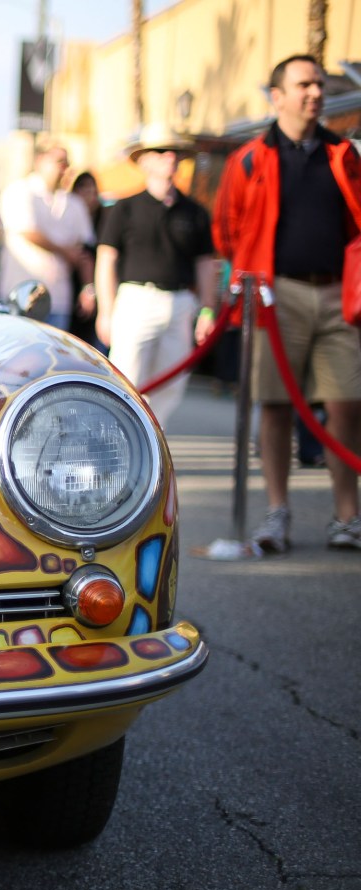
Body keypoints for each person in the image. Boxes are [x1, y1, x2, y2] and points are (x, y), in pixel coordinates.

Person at [211, 54, 361, 552]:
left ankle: (347, 516)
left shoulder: (343, 153)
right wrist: (252, 278)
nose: (315, 92)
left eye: (319, 83)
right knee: (275, 406)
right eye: (304, 84)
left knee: (347, 404)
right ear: (277, 97)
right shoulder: (250, 158)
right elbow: (227, 231)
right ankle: (277, 513)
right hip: (277, 296)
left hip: (337, 294)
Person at [94, 128, 216, 431]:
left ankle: (149, 439)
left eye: (174, 152)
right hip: (136, 300)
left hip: (180, 302)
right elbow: (106, 260)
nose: (169, 157)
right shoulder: (124, 208)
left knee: (173, 382)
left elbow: (205, 264)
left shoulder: (195, 212)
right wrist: (106, 311)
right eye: (161, 151)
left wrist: (208, 309)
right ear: (144, 160)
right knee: (126, 378)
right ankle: (119, 438)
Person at [0, 140, 95, 331]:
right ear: (40, 160)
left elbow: (84, 251)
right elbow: (28, 231)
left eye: (67, 163)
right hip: (20, 295)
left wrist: (88, 288)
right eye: (59, 161)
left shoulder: (74, 203)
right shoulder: (19, 191)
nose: (64, 168)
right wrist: (65, 251)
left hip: (59, 299)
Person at [67, 170, 105, 349]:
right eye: (83, 190)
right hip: (71, 285)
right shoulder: (68, 214)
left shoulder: (105, 219)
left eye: (92, 191)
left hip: (95, 285)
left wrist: (90, 289)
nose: (88, 196)